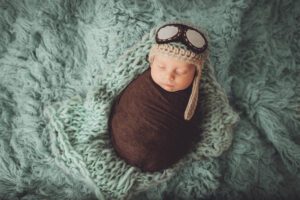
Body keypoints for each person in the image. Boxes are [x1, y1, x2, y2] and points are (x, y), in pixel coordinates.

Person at [108, 22, 209, 172]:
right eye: (161, 67)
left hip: (162, 158)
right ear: (151, 62)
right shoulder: (140, 80)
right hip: (120, 140)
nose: (169, 76)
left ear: (196, 74)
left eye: (181, 72)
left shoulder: (194, 96)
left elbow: (197, 126)